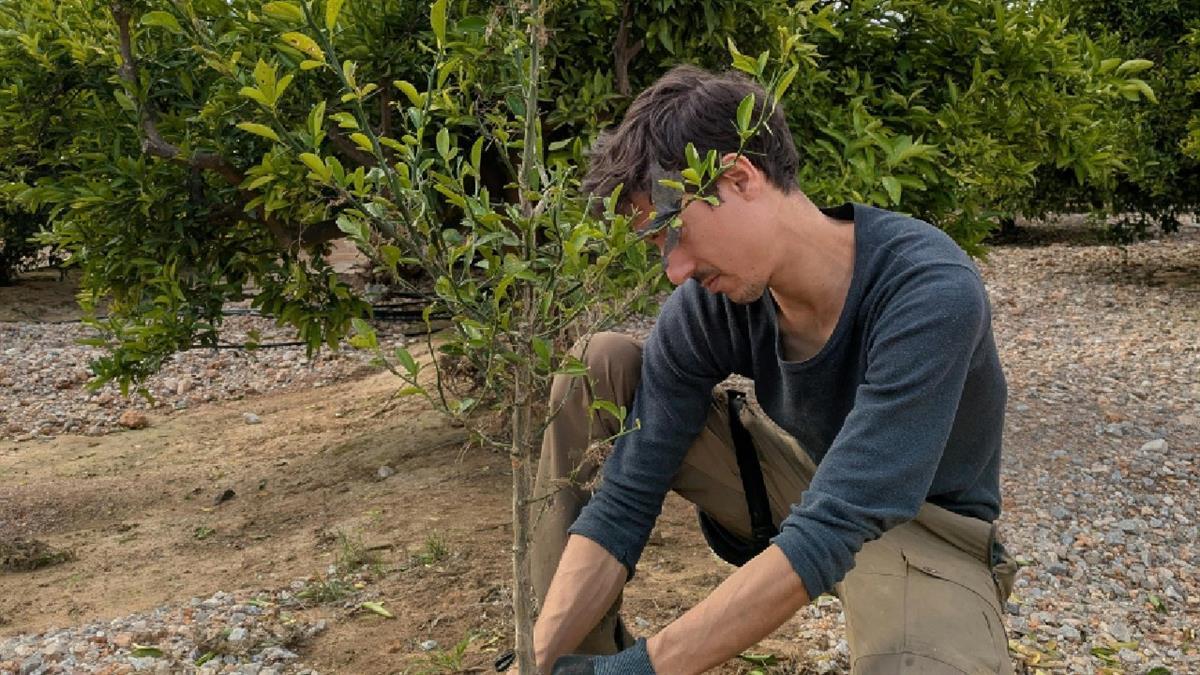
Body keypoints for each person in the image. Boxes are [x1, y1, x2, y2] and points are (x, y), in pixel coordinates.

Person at [527, 64, 1018, 674]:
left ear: (738, 178)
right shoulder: (709, 306)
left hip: (926, 531)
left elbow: (834, 527)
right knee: (599, 363)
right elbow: (626, 500)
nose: (673, 271)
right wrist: (536, 664)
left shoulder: (928, 289)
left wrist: (633, 672)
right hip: (801, 487)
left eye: (671, 232)